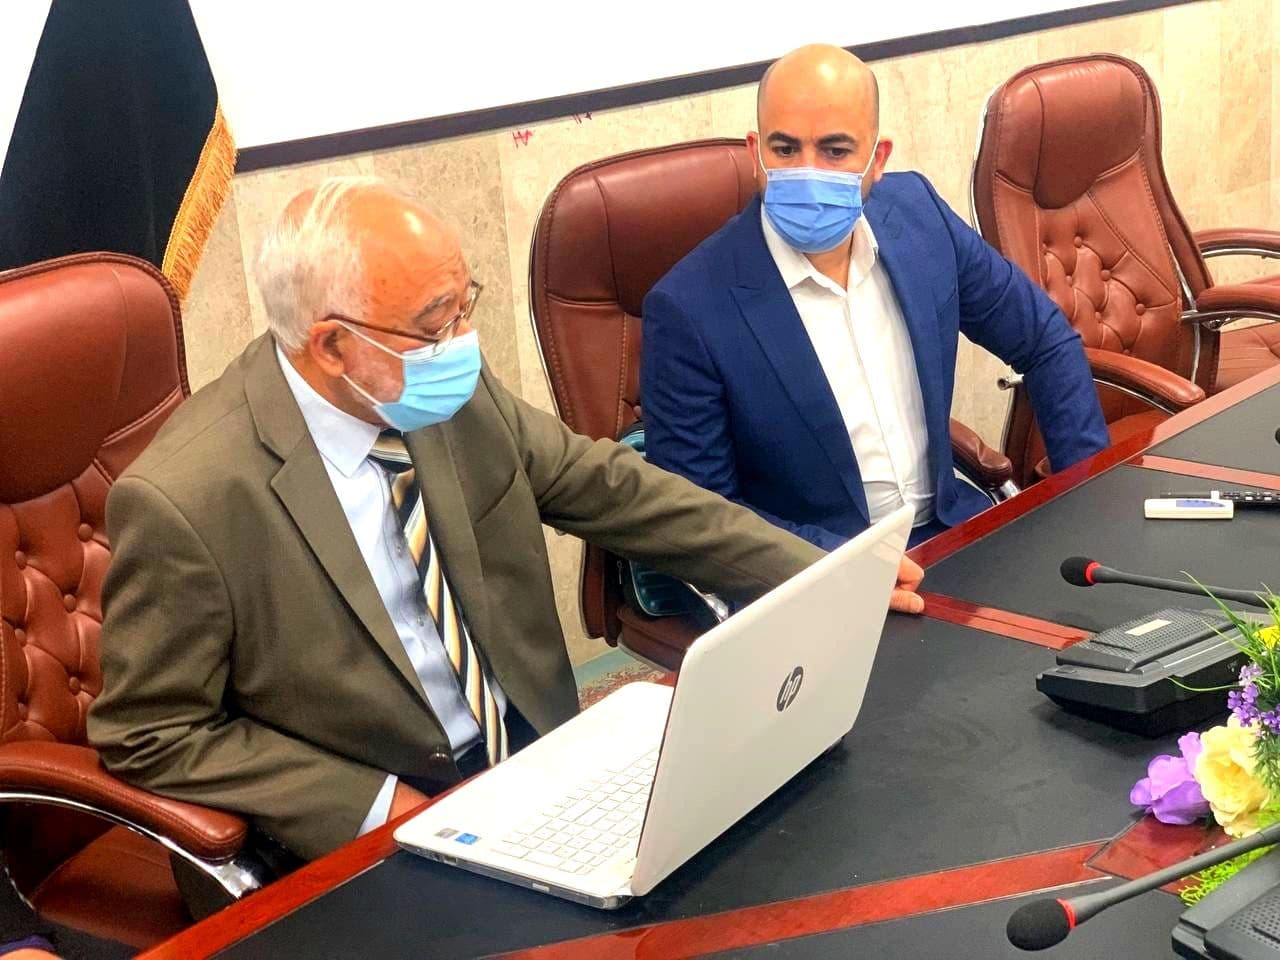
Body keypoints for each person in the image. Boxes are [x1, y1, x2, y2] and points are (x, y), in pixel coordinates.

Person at [87, 177, 925, 861]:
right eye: (435, 325)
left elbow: (608, 488)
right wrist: (372, 805)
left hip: (536, 763)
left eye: (465, 304)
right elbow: (148, 732)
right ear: (332, 347)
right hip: (360, 832)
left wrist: (821, 574)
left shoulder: (430, 385)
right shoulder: (189, 500)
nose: (465, 343)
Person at [641, 45, 1108, 551]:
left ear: (877, 159)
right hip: (815, 566)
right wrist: (857, 570)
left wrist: (1083, 491)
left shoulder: (919, 216)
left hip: (953, 534)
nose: (808, 172)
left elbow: (1044, 340)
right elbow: (702, 515)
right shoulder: (688, 308)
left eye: (835, 151)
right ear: (756, 152)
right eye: (785, 149)